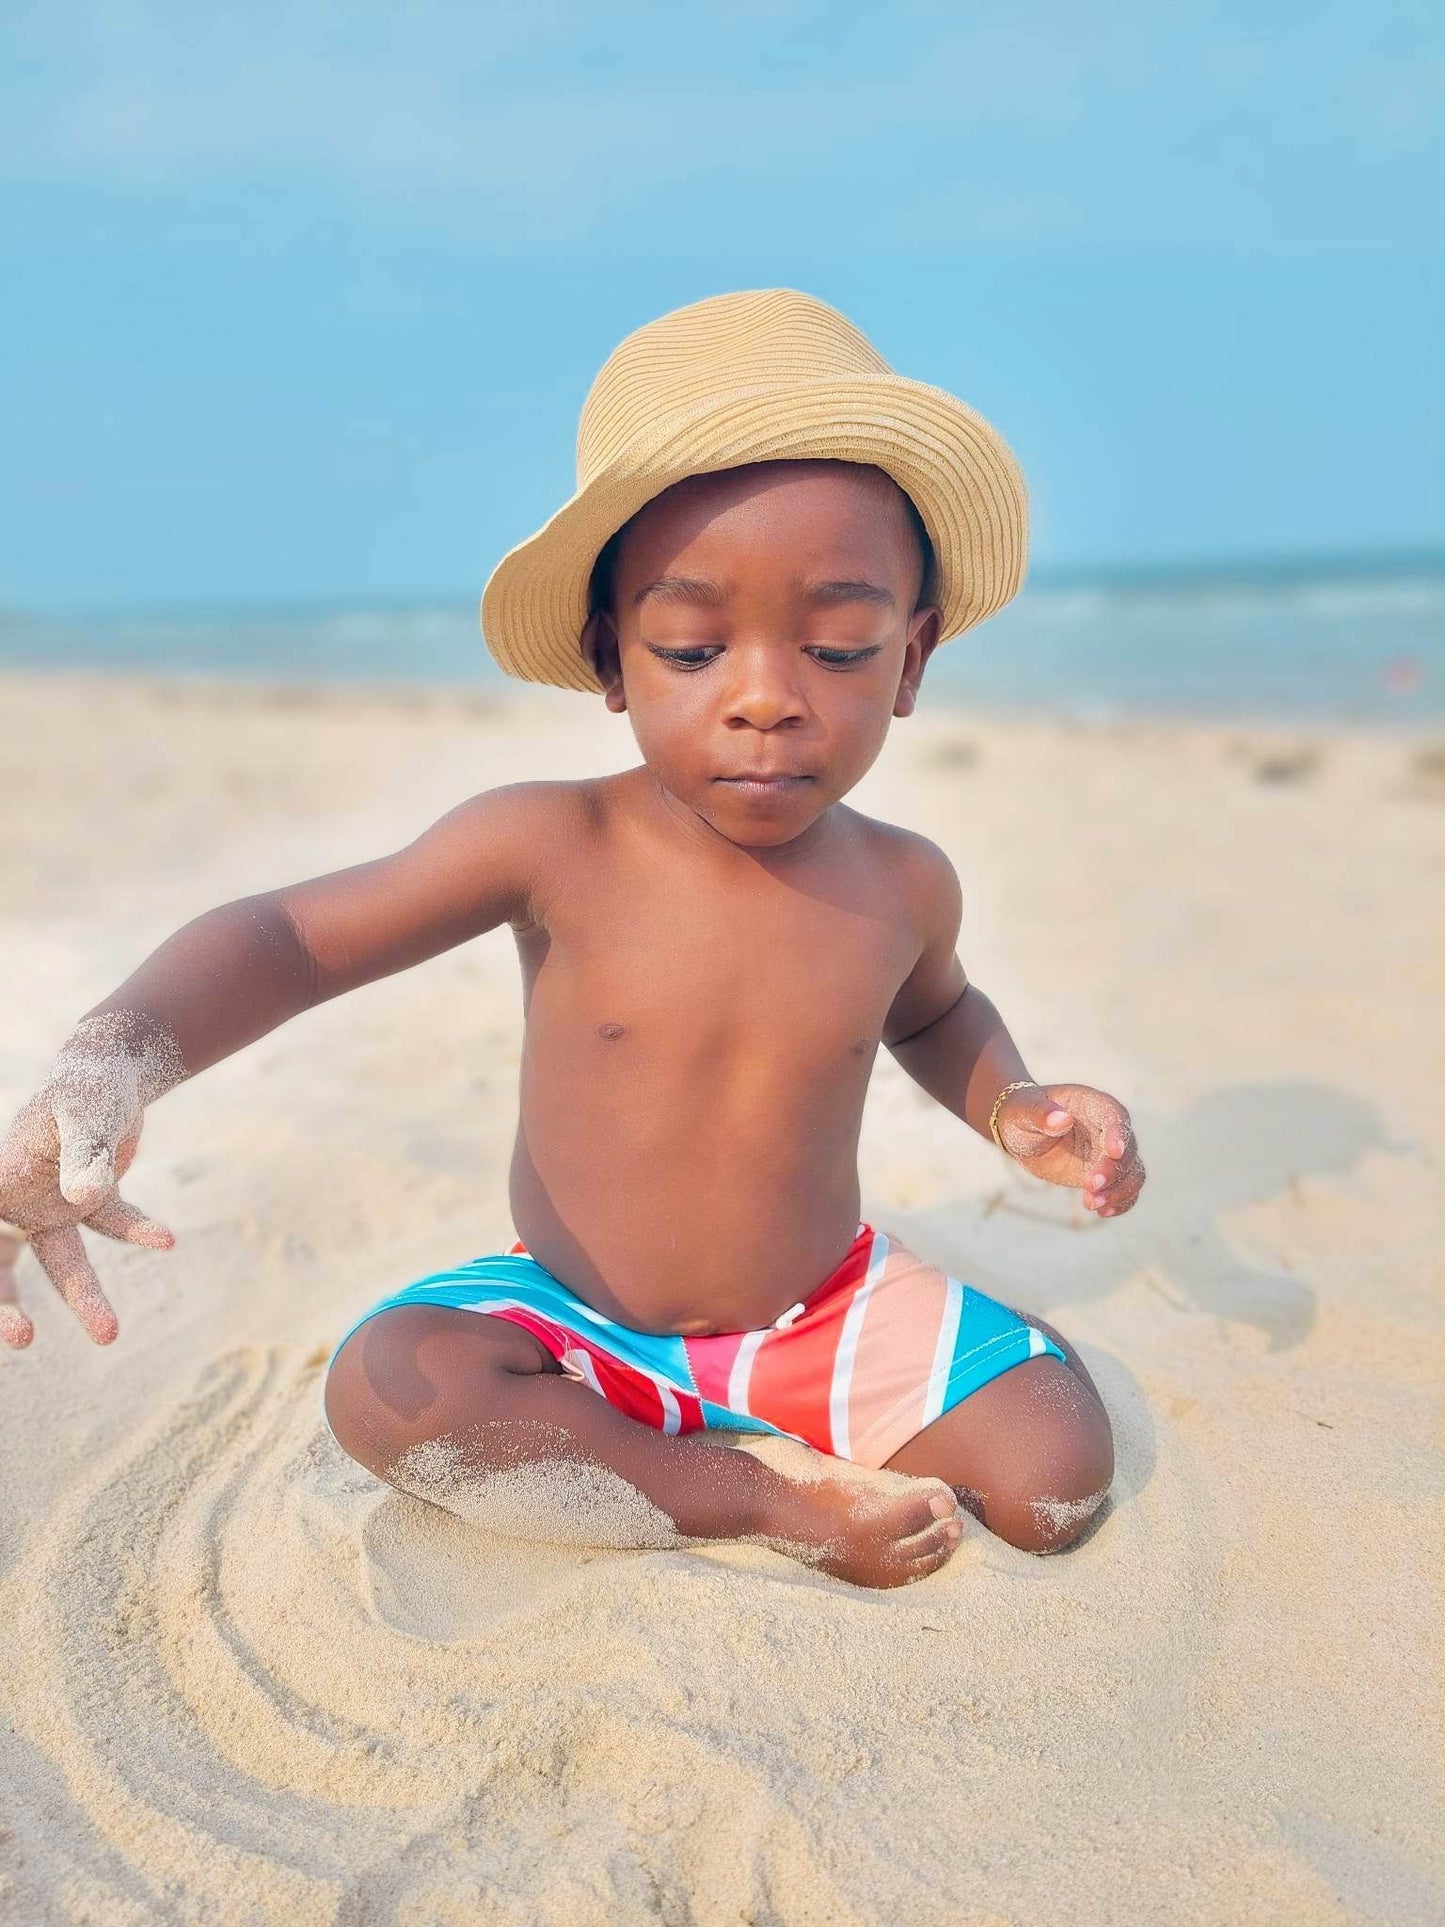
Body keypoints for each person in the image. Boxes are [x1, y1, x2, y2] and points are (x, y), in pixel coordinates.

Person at [0, 291, 1144, 1588]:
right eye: (693, 645)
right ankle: (736, 1490)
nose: (766, 698)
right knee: (391, 1389)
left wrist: (1016, 1107)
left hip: (817, 1308)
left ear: (912, 659)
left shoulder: (901, 882)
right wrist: (111, 1063)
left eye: (835, 645)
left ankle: (749, 1422)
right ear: (612, 658)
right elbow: (289, 940)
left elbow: (934, 1016)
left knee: (1055, 1475)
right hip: (573, 1328)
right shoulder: (551, 846)